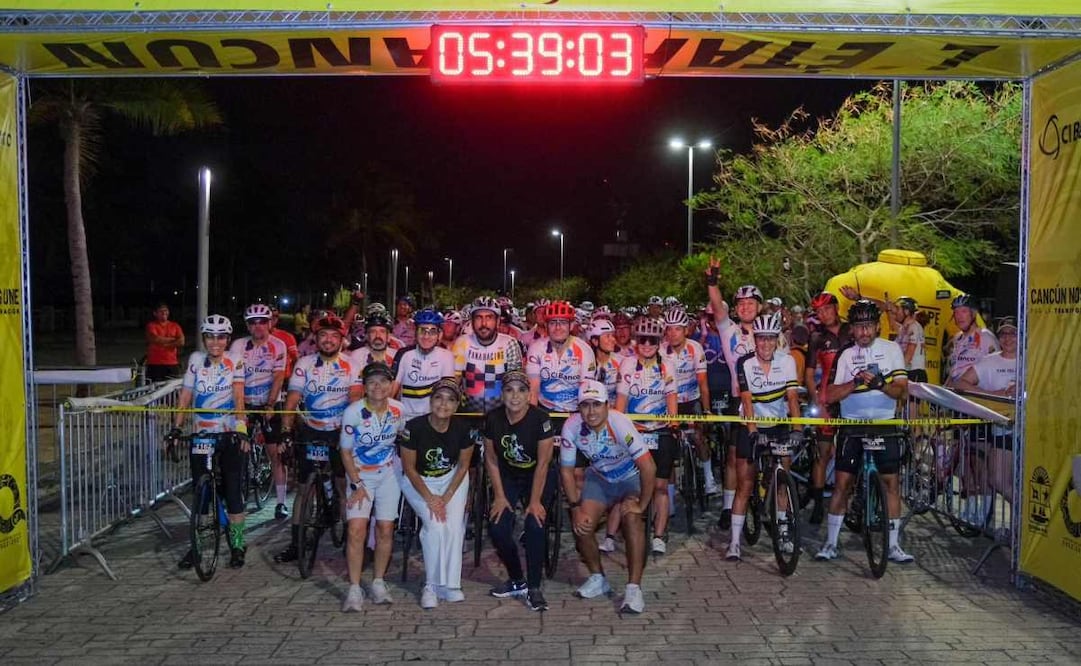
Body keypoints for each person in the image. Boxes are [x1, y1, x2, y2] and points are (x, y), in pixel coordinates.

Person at [815, 299, 914, 564]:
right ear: (852, 330)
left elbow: (902, 391)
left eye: (869, 326)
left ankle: (893, 546)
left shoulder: (892, 349)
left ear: (876, 327)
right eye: (859, 327)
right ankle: (831, 543)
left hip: (884, 423)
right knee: (842, 485)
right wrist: (854, 382)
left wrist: (882, 384)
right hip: (853, 425)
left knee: (891, 483)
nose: (864, 332)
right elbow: (830, 395)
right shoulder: (846, 355)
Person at [561, 380, 656, 614]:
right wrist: (575, 507)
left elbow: (649, 467)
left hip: (630, 476)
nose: (591, 411)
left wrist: (642, 505)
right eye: (585, 406)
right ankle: (597, 577)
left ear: (607, 405)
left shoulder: (619, 422)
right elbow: (566, 470)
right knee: (582, 524)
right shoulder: (571, 427)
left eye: (596, 405)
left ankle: (634, 588)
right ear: (578, 408)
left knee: (632, 519)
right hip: (600, 477)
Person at [275, 313, 363, 564]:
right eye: (323, 335)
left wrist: (350, 435)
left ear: (341, 340)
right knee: (302, 490)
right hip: (311, 429)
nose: (328, 340)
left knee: (342, 486)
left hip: (338, 430)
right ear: (316, 339)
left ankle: (349, 541)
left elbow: (354, 400)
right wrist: (286, 430)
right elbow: (292, 399)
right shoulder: (305, 364)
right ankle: (296, 543)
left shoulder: (351, 365)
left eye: (334, 336)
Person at [166, 315, 248, 568]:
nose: (215, 342)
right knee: (201, 494)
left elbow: (238, 398)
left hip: (228, 432)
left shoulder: (235, 361)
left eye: (221, 337)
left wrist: (242, 429)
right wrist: (176, 428)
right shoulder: (195, 361)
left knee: (233, 490)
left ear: (227, 339)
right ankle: (197, 546)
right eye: (210, 337)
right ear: (204, 339)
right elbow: (186, 396)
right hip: (202, 434)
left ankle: (237, 544)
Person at [726, 313, 801, 561]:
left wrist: (798, 429)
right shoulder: (744, 363)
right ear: (755, 340)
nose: (766, 344)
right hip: (751, 423)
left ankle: (784, 532)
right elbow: (747, 402)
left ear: (777, 340)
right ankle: (735, 542)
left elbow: (792, 398)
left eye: (771, 339)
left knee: (782, 482)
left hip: (778, 424)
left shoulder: (787, 361)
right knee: (745, 484)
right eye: (761, 339)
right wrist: (753, 432)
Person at [483, 370, 557, 612]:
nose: (515, 396)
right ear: (502, 394)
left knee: (534, 524)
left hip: (537, 474)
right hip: (508, 475)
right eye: (509, 390)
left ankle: (534, 587)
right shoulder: (493, 418)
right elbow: (491, 460)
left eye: (521, 390)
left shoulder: (541, 419)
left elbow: (544, 463)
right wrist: (500, 497)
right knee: (497, 526)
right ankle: (517, 580)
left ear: (529, 395)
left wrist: (534, 501)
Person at [339, 362, 408, 612]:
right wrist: (356, 483)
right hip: (360, 475)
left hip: (389, 474)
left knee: (385, 528)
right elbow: (345, 451)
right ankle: (354, 587)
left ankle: (379, 581)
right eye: (372, 382)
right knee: (357, 529)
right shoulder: (353, 412)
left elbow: (405, 440)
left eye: (383, 382)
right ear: (365, 387)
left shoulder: (399, 410)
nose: (378, 387)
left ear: (391, 385)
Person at [398, 378, 474, 609]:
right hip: (419, 481)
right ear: (431, 401)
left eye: (451, 400)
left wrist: (446, 497)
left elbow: (463, 466)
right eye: (439, 398)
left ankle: (450, 584)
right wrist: (431, 499)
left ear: (457, 404)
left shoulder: (463, 429)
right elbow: (409, 468)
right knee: (435, 526)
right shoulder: (414, 427)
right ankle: (431, 585)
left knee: (454, 526)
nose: (444, 404)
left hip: (452, 480)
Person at [615, 318, 677, 555]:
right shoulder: (628, 365)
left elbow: (671, 397)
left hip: (660, 429)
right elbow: (621, 401)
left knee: (660, 486)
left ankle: (659, 535)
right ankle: (630, 527)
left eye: (652, 340)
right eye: (643, 340)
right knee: (633, 486)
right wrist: (618, 428)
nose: (647, 344)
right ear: (636, 342)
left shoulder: (667, 366)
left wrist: (673, 421)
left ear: (659, 342)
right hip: (636, 432)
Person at [230, 304, 290, 519]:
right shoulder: (238, 345)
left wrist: (270, 404)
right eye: (253, 322)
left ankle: (281, 502)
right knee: (238, 449)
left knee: (276, 454)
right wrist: (238, 409)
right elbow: (233, 377)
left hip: (269, 403)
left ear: (270, 323)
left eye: (262, 321)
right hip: (244, 403)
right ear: (247, 325)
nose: (258, 326)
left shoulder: (278, 345)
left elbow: (278, 377)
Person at [952, 317, 1018, 514]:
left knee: (1024, 481)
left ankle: (1021, 529)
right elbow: (961, 383)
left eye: (1012, 333)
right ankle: (1026, 518)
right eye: (1003, 334)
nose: (1007, 338)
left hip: (1030, 431)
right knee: (997, 479)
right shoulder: (990, 361)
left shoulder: (1033, 361)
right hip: (1003, 429)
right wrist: (993, 395)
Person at [803, 291, 852, 524]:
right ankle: (818, 504)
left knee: (852, 452)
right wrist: (817, 402)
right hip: (827, 400)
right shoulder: (816, 338)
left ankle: (851, 500)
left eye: (827, 309)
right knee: (822, 454)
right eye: (819, 312)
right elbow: (810, 374)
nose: (823, 315)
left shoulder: (852, 330)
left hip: (853, 398)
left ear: (836, 307)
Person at [661, 306, 717, 496]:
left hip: (691, 399)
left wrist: (707, 410)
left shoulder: (695, 348)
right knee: (667, 445)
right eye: (669, 328)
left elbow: (703, 383)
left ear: (686, 330)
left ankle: (709, 478)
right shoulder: (660, 350)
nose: (673, 333)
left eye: (677, 329)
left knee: (698, 437)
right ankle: (669, 493)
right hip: (669, 402)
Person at [452, 296, 524, 415]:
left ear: (497, 321)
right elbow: (454, 381)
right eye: (478, 318)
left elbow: (516, 383)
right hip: (469, 414)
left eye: (489, 317)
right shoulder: (462, 342)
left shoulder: (509, 343)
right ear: (472, 321)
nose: (484, 323)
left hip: (502, 415)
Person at [527, 300, 596, 414]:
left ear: (571, 325)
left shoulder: (584, 350)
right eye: (553, 323)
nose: (558, 327)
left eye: (563, 322)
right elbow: (533, 390)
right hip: (544, 408)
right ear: (546, 325)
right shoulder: (536, 348)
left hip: (576, 410)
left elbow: (586, 390)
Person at [392, 309, 456, 419]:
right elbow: (391, 392)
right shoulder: (404, 354)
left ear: (439, 335)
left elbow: (446, 393)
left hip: (433, 419)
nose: (426, 336)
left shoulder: (447, 356)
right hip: (407, 419)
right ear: (415, 332)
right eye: (422, 330)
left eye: (432, 331)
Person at [944, 294, 999, 388]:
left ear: (973, 314)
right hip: (955, 396)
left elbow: (996, 371)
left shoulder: (986, 337)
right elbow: (954, 370)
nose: (959, 316)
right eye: (956, 312)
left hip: (974, 396)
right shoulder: (957, 338)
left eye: (964, 311)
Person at [145, 302, 185, 381]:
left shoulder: (175, 325)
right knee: (154, 390)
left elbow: (181, 342)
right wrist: (173, 339)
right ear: (155, 313)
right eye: (161, 311)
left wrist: (166, 343)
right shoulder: (151, 325)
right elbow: (155, 339)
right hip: (155, 364)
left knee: (173, 390)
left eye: (166, 310)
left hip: (172, 363)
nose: (164, 313)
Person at [892, 296, 927, 382]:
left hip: (914, 373)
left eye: (898, 309)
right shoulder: (903, 328)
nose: (896, 312)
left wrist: (897, 372)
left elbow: (909, 354)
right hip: (908, 371)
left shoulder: (913, 327)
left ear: (906, 311)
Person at [269, 305, 299, 377]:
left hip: (283, 378)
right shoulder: (255, 337)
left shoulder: (287, 336)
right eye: (270, 316)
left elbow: (296, 359)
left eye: (276, 316)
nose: (273, 318)